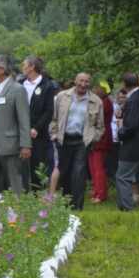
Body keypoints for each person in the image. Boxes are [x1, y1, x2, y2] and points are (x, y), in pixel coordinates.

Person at [49, 72, 105, 210]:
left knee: (79, 173)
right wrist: (54, 136)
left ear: (90, 83)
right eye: (81, 81)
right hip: (63, 140)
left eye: (87, 81)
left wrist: (92, 139)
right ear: (75, 81)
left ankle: (77, 207)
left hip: (82, 141)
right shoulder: (62, 96)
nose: (83, 84)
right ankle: (68, 204)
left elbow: (100, 126)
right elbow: (54, 119)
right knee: (65, 173)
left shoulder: (96, 101)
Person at [0, 55, 32, 196]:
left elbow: (24, 119)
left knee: (14, 181)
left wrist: (25, 145)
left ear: (2, 69)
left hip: (10, 143)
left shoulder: (17, 89)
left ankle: (17, 212)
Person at [20, 55, 56, 190]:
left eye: (24, 65)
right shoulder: (20, 84)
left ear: (32, 67)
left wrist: (36, 128)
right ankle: (21, 195)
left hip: (38, 134)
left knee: (38, 165)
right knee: (21, 166)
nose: (22, 68)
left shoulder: (47, 86)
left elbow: (49, 111)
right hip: (21, 132)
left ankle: (38, 197)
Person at [116, 72, 139, 211]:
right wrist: (123, 110)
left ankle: (127, 208)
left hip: (134, 145)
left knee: (122, 177)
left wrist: (120, 134)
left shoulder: (134, 100)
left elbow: (132, 126)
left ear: (124, 84)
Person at [89, 84, 114, 203]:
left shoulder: (106, 103)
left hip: (101, 139)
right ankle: (96, 192)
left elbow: (93, 115)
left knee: (98, 168)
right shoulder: (102, 102)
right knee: (93, 167)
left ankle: (101, 194)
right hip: (94, 139)